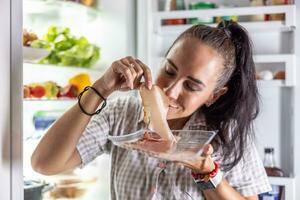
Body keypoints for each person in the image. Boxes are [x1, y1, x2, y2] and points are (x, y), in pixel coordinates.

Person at [31, 20, 271, 200]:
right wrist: (101, 88)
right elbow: (44, 163)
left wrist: (207, 172)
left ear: (213, 96)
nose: (171, 91)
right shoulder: (121, 112)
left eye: (191, 86)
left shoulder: (225, 132)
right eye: (169, 70)